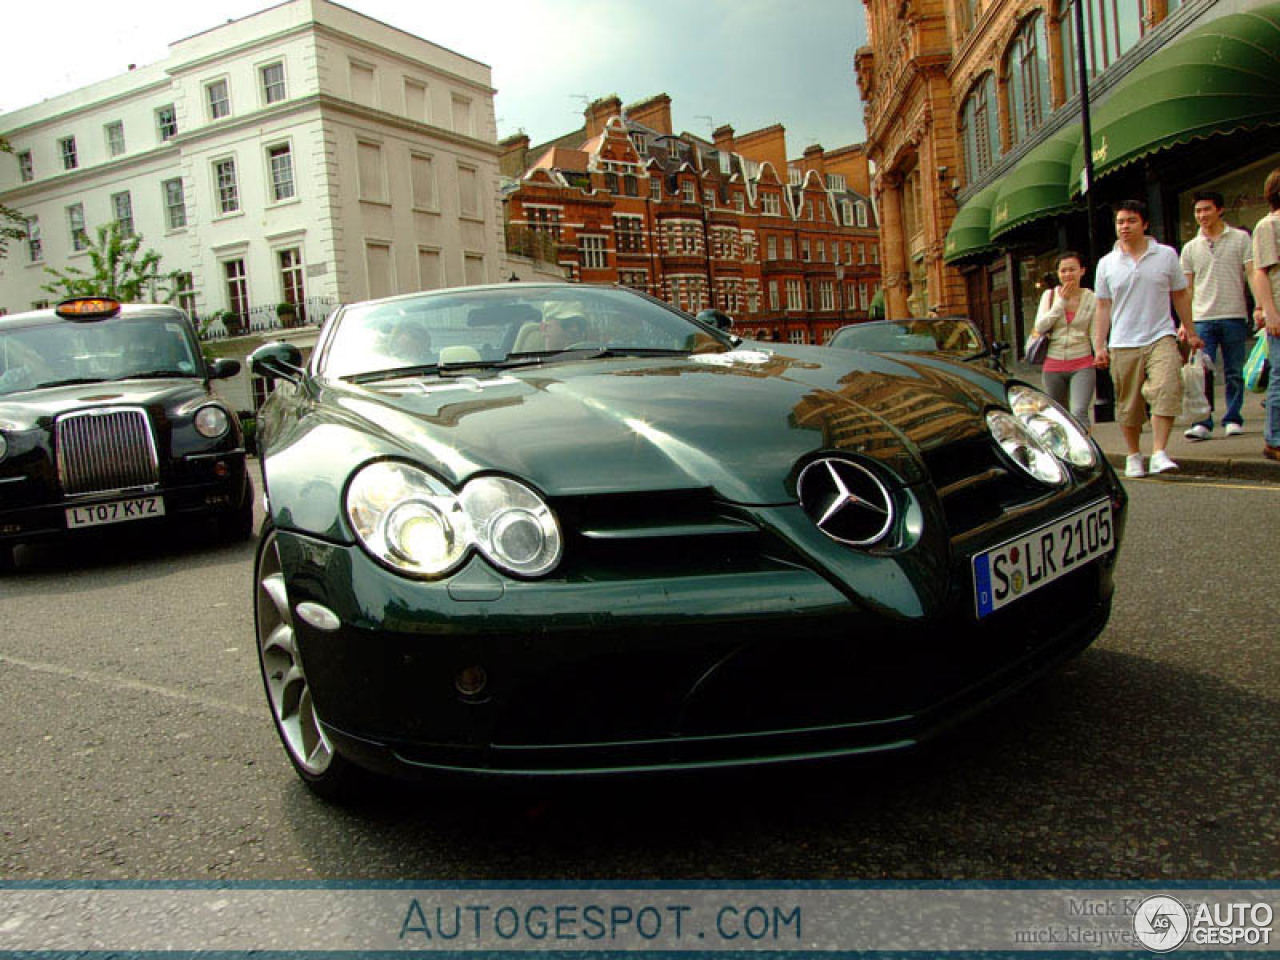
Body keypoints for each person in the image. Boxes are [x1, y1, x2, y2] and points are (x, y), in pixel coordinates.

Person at [1093, 199, 1201, 477]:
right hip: (1123, 342)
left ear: (1145, 224)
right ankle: (1133, 455)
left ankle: (1159, 452)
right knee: (1129, 406)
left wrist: (1190, 330)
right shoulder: (1106, 264)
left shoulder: (1165, 255)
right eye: (1120, 222)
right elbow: (1103, 306)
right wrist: (1099, 345)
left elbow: (1179, 294)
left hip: (1161, 335)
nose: (1125, 227)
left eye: (1130, 221)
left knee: (1167, 388)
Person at [1179, 190, 1254, 441]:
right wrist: (1184, 322)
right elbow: (1186, 289)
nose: (1202, 215)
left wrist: (1260, 306)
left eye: (1207, 209)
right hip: (1202, 318)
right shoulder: (1189, 248)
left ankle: (1233, 418)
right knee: (1201, 373)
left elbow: (1252, 274)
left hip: (1233, 313)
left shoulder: (1241, 239)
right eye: (1198, 211)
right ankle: (1203, 421)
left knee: (1234, 371)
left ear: (1219, 210)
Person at [1034, 251, 1096, 428]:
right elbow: (1040, 327)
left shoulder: (1091, 298)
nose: (1068, 274)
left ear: (1082, 271)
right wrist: (1060, 302)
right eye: (1063, 271)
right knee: (1059, 415)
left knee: (1079, 412)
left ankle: (1085, 453)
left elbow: (1095, 331)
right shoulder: (1050, 296)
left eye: (1072, 270)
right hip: (1053, 364)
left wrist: (1100, 351)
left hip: (1082, 362)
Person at [1250, 167, 1280, 462]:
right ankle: (1274, 439)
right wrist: (1270, 312)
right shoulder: (1268, 226)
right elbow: (1260, 273)